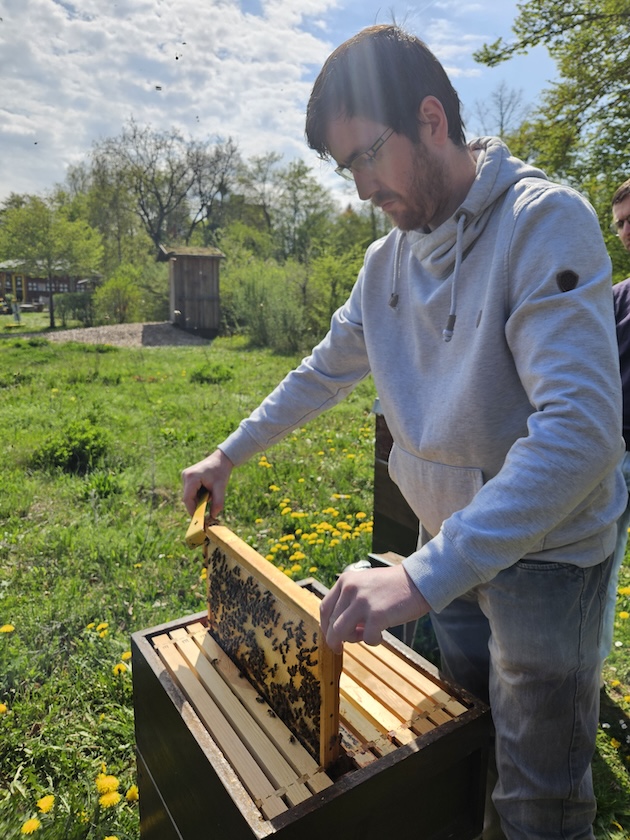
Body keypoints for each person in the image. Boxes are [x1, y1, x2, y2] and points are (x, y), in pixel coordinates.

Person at [182, 25, 625, 840]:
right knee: (470, 735)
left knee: (539, 801)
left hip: (548, 559)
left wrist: (422, 577)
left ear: (431, 119)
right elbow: (323, 370)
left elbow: (583, 431)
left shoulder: (544, 222)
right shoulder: (384, 263)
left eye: (365, 156)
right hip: (446, 540)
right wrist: (229, 452)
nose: (360, 188)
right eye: (344, 167)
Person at [602, 179, 630, 663]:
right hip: (616, 456)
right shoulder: (614, 299)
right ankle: (589, 673)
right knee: (600, 569)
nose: (628, 230)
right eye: (622, 223)